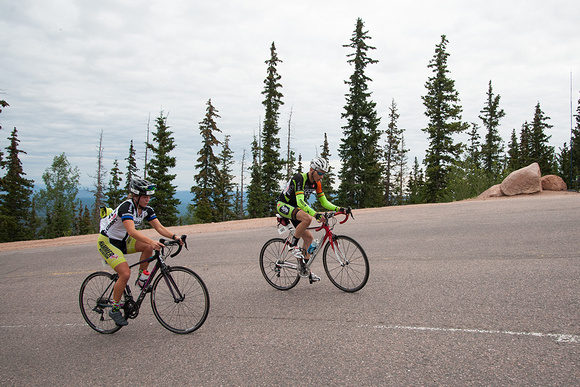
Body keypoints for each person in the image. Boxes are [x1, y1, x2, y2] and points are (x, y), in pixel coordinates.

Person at [97, 177, 183, 326]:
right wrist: (151, 240)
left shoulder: (146, 210)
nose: (147, 199)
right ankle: (115, 309)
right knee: (124, 273)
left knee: (148, 247)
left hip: (123, 241)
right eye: (144, 196)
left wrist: (175, 237)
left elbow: (159, 228)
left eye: (149, 196)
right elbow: (131, 231)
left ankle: (142, 279)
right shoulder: (127, 207)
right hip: (108, 242)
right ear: (135, 196)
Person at [277, 156, 347, 283]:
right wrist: (316, 215)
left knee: (308, 238)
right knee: (307, 218)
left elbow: (324, 202)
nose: (322, 176)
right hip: (283, 206)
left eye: (324, 173)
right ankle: (292, 246)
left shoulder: (317, 183)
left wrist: (339, 209)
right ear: (312, 170)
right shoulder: (299, 178)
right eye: (320, 173)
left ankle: (304, 269)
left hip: (296, 210)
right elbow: (300, 201)